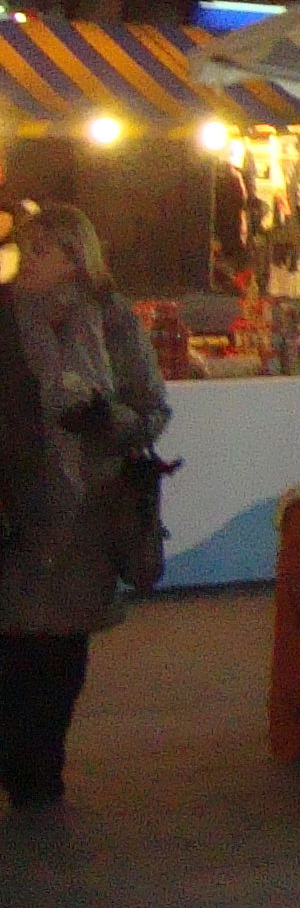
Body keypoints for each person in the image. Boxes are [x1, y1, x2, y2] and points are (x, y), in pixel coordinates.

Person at [0, 204, 171, 814]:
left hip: (87, 508)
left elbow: (151, 407)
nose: (26, 262)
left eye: (40, 251)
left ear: (76, 256)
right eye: (24, 249)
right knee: (16, 641)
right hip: (15, 498)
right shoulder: (3, 315)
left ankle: (38, 770)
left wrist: (109, 420)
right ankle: (21, 761)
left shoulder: (109, 317)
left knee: (59, 645)